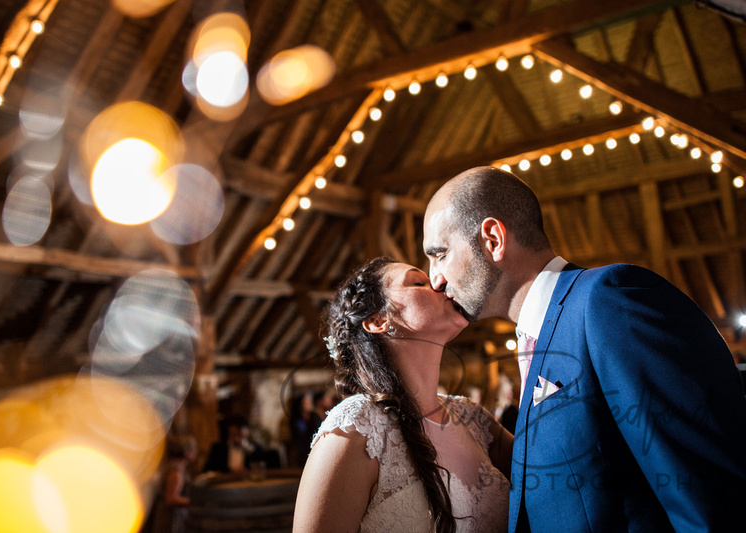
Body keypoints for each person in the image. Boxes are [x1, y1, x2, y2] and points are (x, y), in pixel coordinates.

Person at [423, 165, 746, 532]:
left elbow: (708, 497)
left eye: (440, 254)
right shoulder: (537, 339)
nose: (436, 278)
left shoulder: (607, 301)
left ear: (493, 239)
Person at [293, 257, 513, 533]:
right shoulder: (358, 428)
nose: (439, 282)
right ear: (378, 320)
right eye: (418, 282)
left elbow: (557, 469)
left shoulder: (474, 419)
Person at [150, 435, 197, 533]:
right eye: (194, 449)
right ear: (186, 452)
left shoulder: (177, 468)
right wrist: (194, 502)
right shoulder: (176, 472)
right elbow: (170, 499)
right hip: (170, 519)